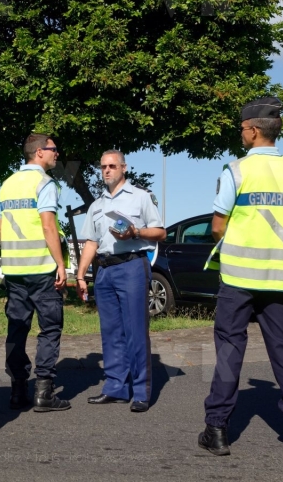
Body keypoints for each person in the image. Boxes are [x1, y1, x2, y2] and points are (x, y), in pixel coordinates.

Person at [198, 97, 283, 459]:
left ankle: (217, 431)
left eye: (241, 129)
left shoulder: (236, 171)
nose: (241, 134)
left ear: (251, 130)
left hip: (238, 279)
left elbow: (218, 227)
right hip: (279, 280)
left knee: (230, 351)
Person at [76, 150, 165, 413]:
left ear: (123, 168)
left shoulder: (141, 197)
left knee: (135, 331)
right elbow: (91, 242)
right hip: (104, 271)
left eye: (112, 166)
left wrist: (136, 231)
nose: (106, 170)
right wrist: (81, 275)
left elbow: (160, 231)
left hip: (132, 267)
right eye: (103, 166)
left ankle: (140, 392)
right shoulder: (97, 204)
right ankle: (115, 387)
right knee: (111, 333)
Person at [0, 133, 70, 412]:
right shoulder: (45, 183)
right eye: (53, 149)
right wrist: (61, 264)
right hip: (41, 267)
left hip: (14, 269)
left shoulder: (7, 184)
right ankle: (44, 392)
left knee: (17, 328)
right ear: (39, 152)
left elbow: (1, 228)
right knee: (50, 327)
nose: (57, 154)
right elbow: (48, 226)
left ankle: (17, 391)